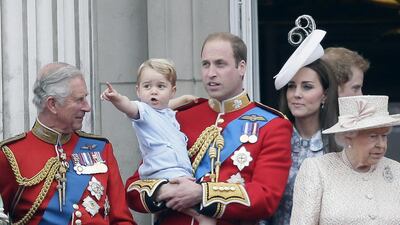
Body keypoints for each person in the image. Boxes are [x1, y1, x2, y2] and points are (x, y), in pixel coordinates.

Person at [125, 32, 293, 225]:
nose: (211, 73)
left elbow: (265, 197)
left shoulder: (272, 125)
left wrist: (202, 194)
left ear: (241, 67)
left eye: (220, 64)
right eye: (206, 64)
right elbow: (134, 188)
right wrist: (164, 190)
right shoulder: (179, 117)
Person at [0, 62, 136, 225]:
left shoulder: (101, 148)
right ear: (52, 104)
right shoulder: (11, 154)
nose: (87, 107)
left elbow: (122, 219)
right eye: (79, 100)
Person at [100, 58, 215, 225]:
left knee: (185, 192)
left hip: (177, 168)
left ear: (172, 90)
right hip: (162, 170)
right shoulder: (143, 111)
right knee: (187, 191)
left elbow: (168, 106)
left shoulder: (166, 112)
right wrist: (116, 97)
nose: (153, 92)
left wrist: (185, 99)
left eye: (160, 87)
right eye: (147, 86)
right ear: (138, 91)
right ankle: (199, 216)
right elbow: (129, 106)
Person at [261, 26, 339, 225]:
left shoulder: (340, 144)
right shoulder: (271, 140)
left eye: (307, 86)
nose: (296, 94)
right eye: (291, 86)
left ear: (325, 94)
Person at [290, 95, 400, 224]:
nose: (381, 145)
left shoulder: (396, 171)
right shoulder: (317, 170)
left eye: (384, 136)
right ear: (348, 136)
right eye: (373, 136)